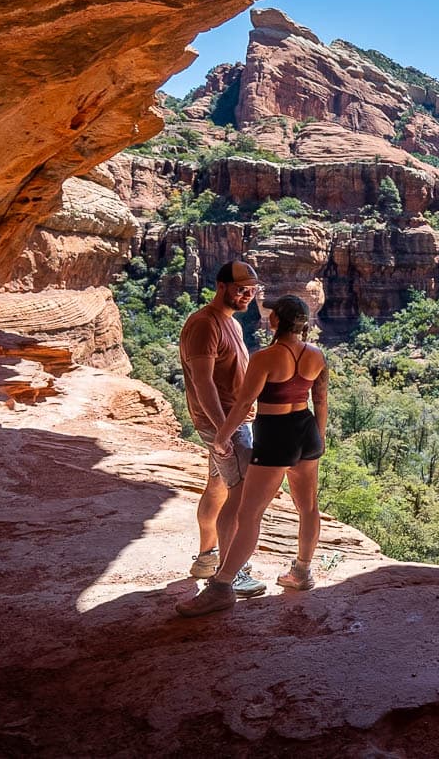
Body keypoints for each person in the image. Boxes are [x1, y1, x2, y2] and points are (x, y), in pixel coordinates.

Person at [176, 294, 328, 617]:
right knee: (309, 507)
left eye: (271, 314)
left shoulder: (265, 358)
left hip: (276, 435)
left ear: (276, 321)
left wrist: (222, 435)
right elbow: (322, 403)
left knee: (249, 514)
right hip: (306, 431)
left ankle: (222, 586)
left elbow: (245, 404)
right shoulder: (318, 356)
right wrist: (320, 440)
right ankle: (301, 572)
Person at [177, 260, 266, 599]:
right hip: (228, 423)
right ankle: (234, 572)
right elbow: (202, 383)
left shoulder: (231, 324)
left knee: (217, 486)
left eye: (252, 290)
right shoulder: (204, 324)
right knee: (240, 494)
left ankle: (207, 558)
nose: (247, 295)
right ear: (222, 285)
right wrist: (222, 433)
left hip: (230, 423)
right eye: (241, 288)